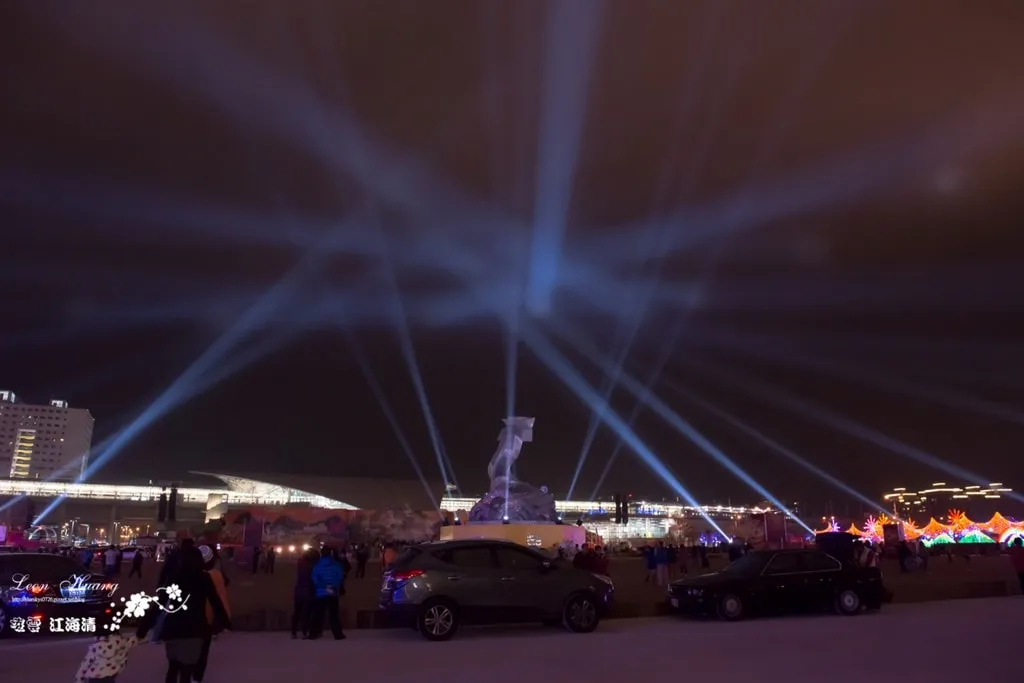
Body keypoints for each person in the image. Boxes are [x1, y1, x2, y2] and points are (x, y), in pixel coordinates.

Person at [140, 545, 231, 683]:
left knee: (172, 667)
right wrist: (226, 622)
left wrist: (144, 628)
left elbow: (159, 605)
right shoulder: (203, 578)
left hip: (173, 629)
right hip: (194, 630)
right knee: (186, 671)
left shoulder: (174, 578)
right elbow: (215, 602)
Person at [194, 545, 231, 683]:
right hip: (206, 619)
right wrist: (226, 619)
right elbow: (221, 598)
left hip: (189, 618)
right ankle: (196, 677)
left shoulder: (189, 572)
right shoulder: (215, 575)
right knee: (203, 650)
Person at [74, 624, 142, 683]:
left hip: (94, 678)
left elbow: (85, 664)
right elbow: (135, 639)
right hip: (109, 678)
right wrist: (143, 630)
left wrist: (79, 679)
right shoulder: (122, 643)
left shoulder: (95, 648)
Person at [307, 547, 345, 640]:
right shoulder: (336, 565)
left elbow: (314, 579)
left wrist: (323, 586)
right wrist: (332, 586)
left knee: (318, 613)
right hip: (332, 591)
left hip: (321, 592)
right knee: (334, 614)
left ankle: (313, 633)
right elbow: (339, 576)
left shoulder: (317, 565)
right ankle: (338, 634)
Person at [291, 548, 317, 639]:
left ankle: (294, 631)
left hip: (299, 591)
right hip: (308, 592)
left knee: (297, 612)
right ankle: (304, 631)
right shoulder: (312, 567)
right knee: (307, 613)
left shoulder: (301, 564)